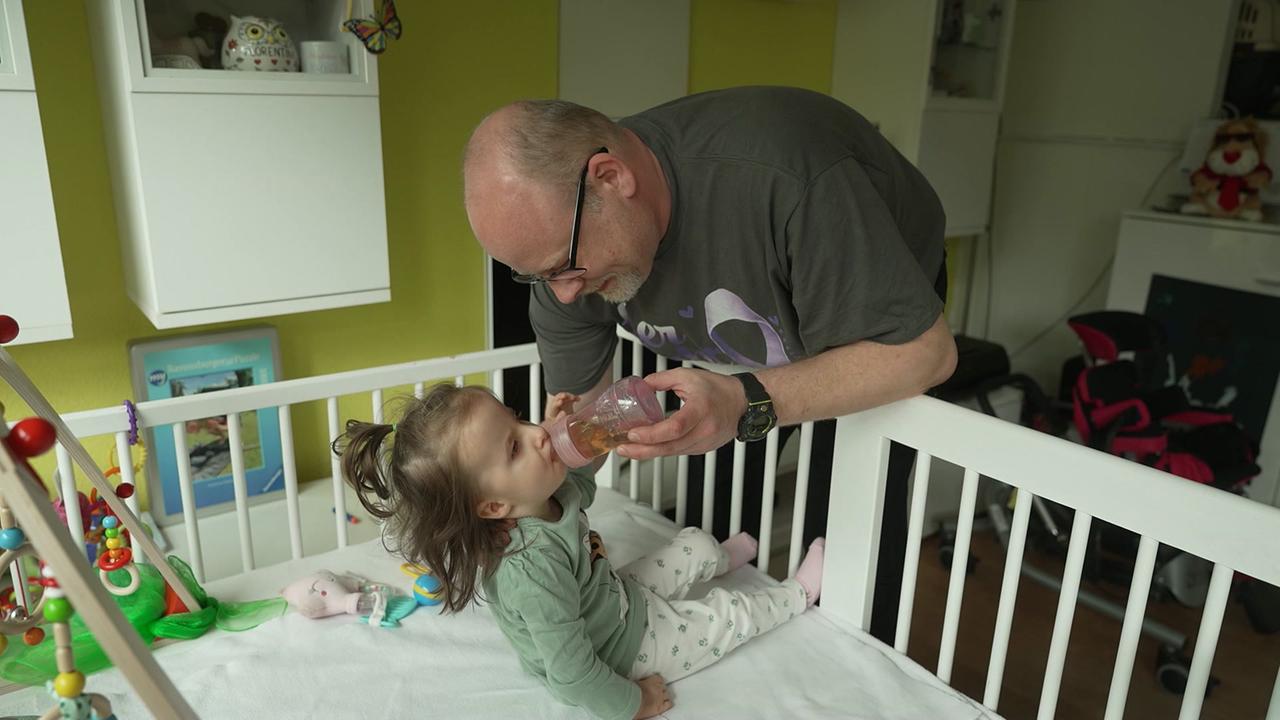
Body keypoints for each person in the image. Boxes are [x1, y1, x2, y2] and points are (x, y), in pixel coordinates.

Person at [463, 86, 956, 641]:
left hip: (873, 322)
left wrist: (747, 399)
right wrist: (498, 525)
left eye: (566, 267)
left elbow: (924, 353)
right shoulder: (563, 266)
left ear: (610, 178)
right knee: (706, 524)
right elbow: (580, 440)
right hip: (741, 343)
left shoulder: (788, 177)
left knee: (845, 541)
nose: (567, 295)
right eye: (539, 277)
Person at [334, 384, 827, 720]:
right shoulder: (531, 572)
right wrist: (630, 702)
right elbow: (571, 675)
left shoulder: (544, 495)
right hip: (621, 651)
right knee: (727, 613)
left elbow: (579, 478)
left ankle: (718, 559)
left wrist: (584, 435)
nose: (535, 434)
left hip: (609, 596)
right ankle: (796, 594)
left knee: (694, 541)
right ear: (493, 505)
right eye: (514, 448)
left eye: (519, 421)